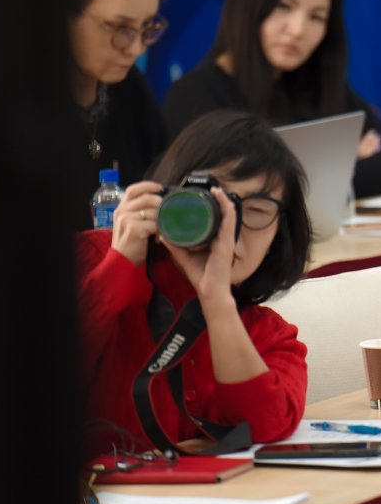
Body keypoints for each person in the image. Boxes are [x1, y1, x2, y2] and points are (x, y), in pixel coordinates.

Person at [78, 111, 310, 455]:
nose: (229, 226)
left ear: (281, 233)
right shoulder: (93, 259)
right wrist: (120, 266)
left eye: (256, 210)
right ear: (167, 196)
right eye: (212, 203)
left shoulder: (267, 337)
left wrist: (216, 300)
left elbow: (267, 426)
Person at [163, 0, 381, 197]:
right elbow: (233, 193)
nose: (297, 30)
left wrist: (302, 180)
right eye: (284, 6)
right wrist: (341, 170)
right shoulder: (195, 96)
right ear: (249, 3)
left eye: (317, 17)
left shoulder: (316, 85)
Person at [67, 0, 169, 230]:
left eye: (147, 27)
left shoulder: (130, 88)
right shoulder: (17, 109)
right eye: (120, 27)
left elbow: (165, 183)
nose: (136, 48)